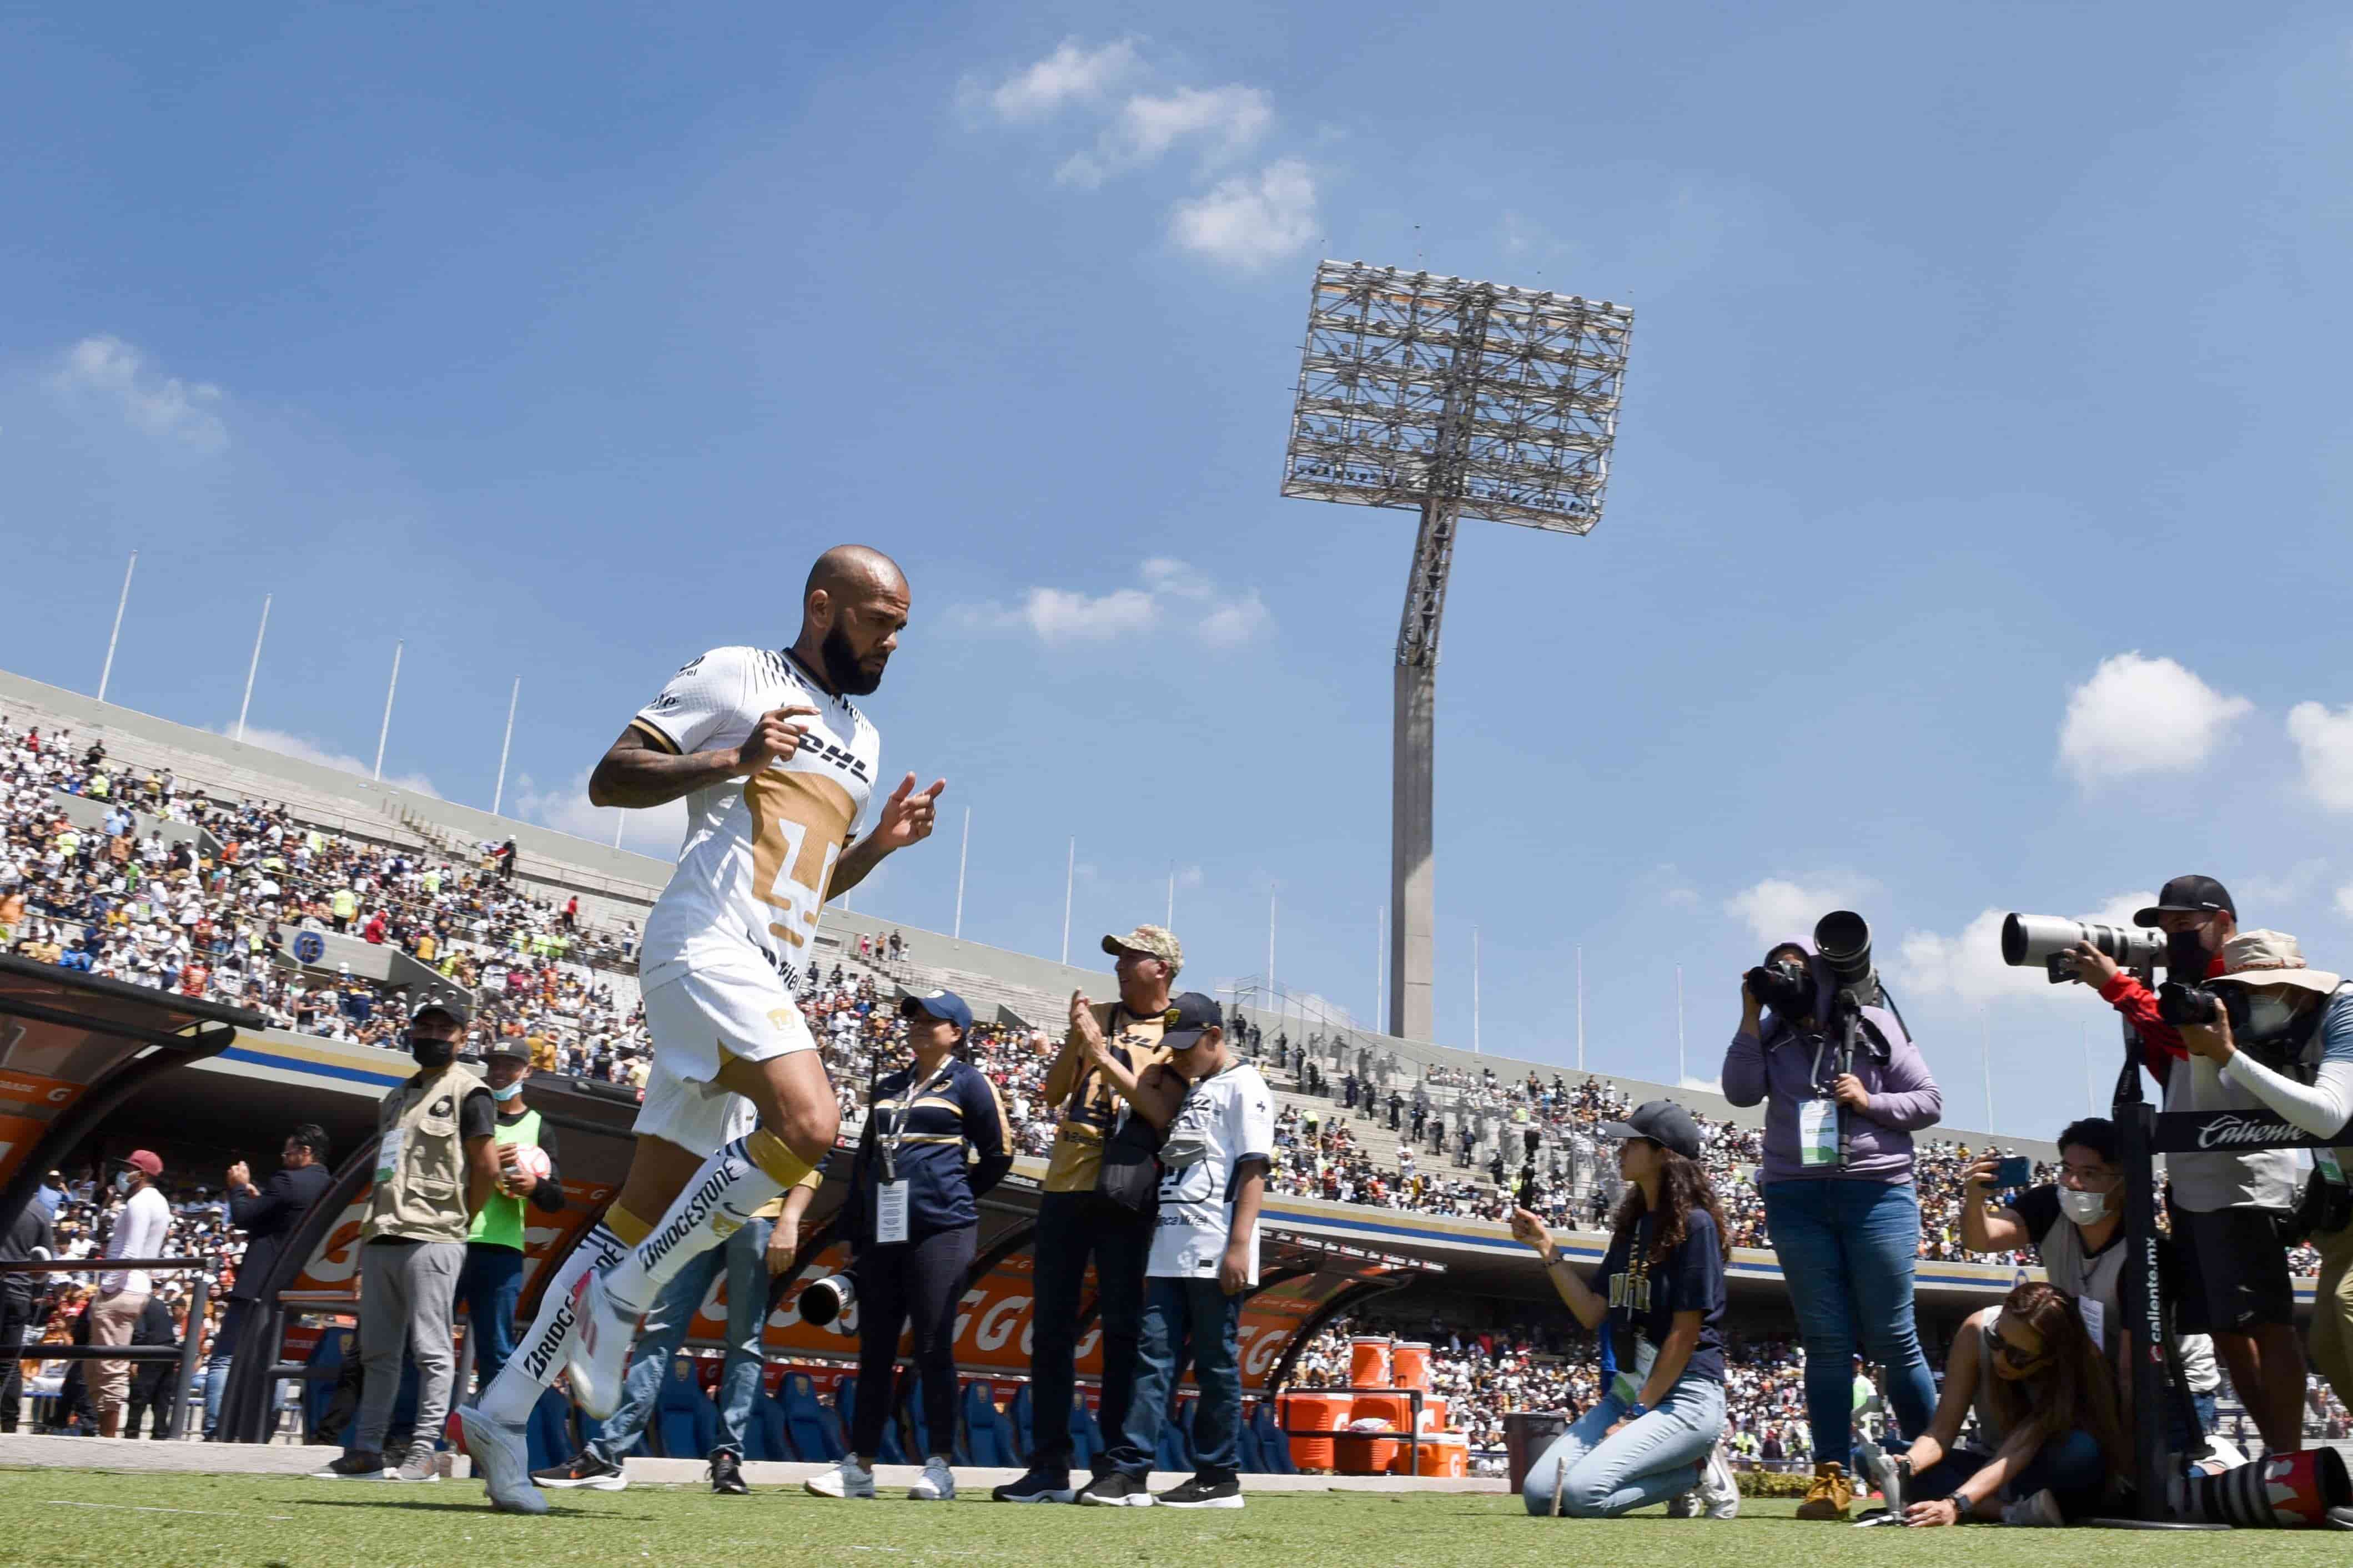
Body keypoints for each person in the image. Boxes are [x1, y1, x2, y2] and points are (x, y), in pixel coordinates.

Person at [460, 546, 943, 1515]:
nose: (894, 639)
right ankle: (629, 1298)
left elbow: (812, 880)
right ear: (822, 607)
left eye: (900, 624)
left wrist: (878, 848)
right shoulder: (737, 672)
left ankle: (502, 1409)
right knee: (809, 1126)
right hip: (703, 945)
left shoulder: (865, 738)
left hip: (765, 967)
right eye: (879, 619)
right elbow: (611, 777)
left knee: (636, 1214)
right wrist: (732, 756)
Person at [1721, 932, 1942, 1520]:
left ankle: (1930, 1468)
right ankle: (1830, 1475)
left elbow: (1928, 1100)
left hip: (1877, 1192)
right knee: (1824, 1340)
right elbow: (1739, 1091)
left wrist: (1869, 1101)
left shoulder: (1870, 1022)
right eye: (1777, 972)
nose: (1787, 980)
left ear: (1823, 977)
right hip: (1795, 1192)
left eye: (1797, 970)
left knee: (1894, 1337)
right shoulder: (1769, 1034)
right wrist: (1750, 1013)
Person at [993, 925, 1181, 1504]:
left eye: (1132, 956)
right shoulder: (1095, 1012)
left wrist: (1102, 1052)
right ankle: (1048, 1463)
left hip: (1125, 1189)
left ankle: (1114, 1466)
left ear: (1163, 968)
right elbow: (1053, 1093)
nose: (1120, 965)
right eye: (1117, 956)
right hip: (1066, 1182)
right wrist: (1078, 1040)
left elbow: (1161, 1111)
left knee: (1122, 1328)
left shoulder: (1179, 1029)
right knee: (1050, 1326)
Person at [807, 990, 1013, 1502]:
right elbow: (864, 1164)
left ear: (958, 1032)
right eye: (915, 1018)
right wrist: (854, 1232)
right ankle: (860, 1466)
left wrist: (954, 1193)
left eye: (932, 1020)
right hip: (885, 1233)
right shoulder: (889, 1086)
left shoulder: (969, 1082)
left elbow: (999, 1153)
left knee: (931, 1344)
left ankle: (940, 1464)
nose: (919, 1026)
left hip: (943, 1230)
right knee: (874, 1349)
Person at [1076, 994, 1270, 1510]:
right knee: (1152, 1360)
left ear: (1215, 1036)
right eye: (1173, 1047)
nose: (1179, 1056)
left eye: (1188, 1046)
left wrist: (1238, 1246)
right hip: (1170, 1245)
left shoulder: (1245, 1084)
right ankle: (1129, 1471)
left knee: (1214, 1364)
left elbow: (1254, 1169)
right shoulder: (1197, 1087)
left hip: (1215, 1245)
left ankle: (1218, 1476)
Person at [1507, 1100, 1738, 1520]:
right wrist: (1546, 1247)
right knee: (1541, 1493)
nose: (1620, 1150)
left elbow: (1685, 1334)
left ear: (1661, 1153)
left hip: (1686, 1396)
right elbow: (1592, 1312)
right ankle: (1681, 1471)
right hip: (1630, 1391)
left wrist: (1639, 1412)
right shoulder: (1631, 1229)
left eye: (1631, 1142)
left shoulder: (1698, 1225)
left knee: (1581, 1495)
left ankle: (1694, 1471)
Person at [2166, 929, 2353, 1425]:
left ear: (2296, 985)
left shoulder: (2346, 1010)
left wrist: (2229, 1055)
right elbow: (2210, 1120)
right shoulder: (2268, 1028)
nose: (2247, 1001)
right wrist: (2203, 1054)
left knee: (2347, 1304)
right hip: (2346, 1197)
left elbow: (2329, 1114)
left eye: (2256, 989)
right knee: (2328, 1343)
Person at [314, 995, 498, 1483]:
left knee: (433, 1351)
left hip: (435, 1236)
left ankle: (423, 1451)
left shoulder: (471, 1092)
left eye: (445, 1028)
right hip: (383, 1234)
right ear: (411, 1032)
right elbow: (381, 1176)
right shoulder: (394, 1097)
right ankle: (368, 1449)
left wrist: (460, 1218)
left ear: (463, 1035)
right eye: (425, 1026)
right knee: (377, 1351)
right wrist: (361, 1250)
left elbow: (487, 1168)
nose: (433, 1036)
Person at [536, 1182, 807, 1496]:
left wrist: (790, 1219)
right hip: (705, 1210)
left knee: (743, 1341)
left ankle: (728, 1458)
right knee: (659, 1330)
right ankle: (606, 1455)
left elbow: (816, 1156)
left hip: (760, 1213)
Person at [1898, 1281, 2128, 1525]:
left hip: (2041, 1471)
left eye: (2019, 1355)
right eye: (1996, 1339)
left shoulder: (2075, 1370)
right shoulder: (1975, 1331)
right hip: (1991, 1469)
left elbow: (2018, 1450)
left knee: (2080, 1453)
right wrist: (1907, 1465)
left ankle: (1996, 1506)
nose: (2001, 1358)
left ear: (2051, 1358)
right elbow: (1941, 1432)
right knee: (1880, 1457)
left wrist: (1957, 1504)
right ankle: (2011, 1511)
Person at [206, 1122, 335, 1439]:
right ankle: (263, 1431)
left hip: (258, 1283)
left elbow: (244, 1218)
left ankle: (215, 1431)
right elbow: (282, 1218)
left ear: (306, 1152)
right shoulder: (332, 1186)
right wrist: (260, 1198)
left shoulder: (286, 1180)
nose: (284, 1158)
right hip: (295, 1286)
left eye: (288, 1152)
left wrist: (237, 1188)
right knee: (275, 1359)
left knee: (226, 1357)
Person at [455, 1040, 567, 1400]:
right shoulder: (470, 1116)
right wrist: (484, 1162)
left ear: (527, 1071)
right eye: (495, 1065)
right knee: (426, 1342)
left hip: (502, 1250)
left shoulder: (539, 1128)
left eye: (510, 1065)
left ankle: (488, 1447)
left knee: (497, 1352)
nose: (500, 1072)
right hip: (455, 1240)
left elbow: (556, 1200)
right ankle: (418, 1440)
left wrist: (534, 1184)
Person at [90, 1148, 171, 1438]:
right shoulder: (160, 1202)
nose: (124, 1173)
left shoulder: (139, 1202)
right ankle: (106, 1436)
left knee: (108, 1368)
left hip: (123, 1288)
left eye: (130, 1168)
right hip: (139, 1287)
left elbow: (130, 1253)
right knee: (103, 1365)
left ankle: (107, 1442)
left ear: (143, 1173)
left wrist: (108, 1289)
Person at [1, 1183, 57, 1432]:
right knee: (9, 1363)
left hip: (11, 1289)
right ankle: (10, 1423)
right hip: (20, 1294)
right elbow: (45, 1264)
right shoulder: (40, 1213)